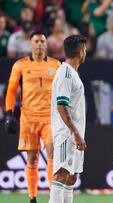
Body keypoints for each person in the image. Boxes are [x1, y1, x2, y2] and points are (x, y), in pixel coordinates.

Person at [4, 30, 61, 203]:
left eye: (42, 41)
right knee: (32, 158)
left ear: (46, 44)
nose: (40, 44)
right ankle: (32, 197)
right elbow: (12, 90)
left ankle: (54, 197)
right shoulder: (20, 65)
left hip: (49, 117)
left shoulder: (56, 64)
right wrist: (9, 114)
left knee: (52, 153)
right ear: (30, 44)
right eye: (36, 41)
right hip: (28, 118)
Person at [49, 35, 87, 203]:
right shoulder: (65, 73)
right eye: (84, 49)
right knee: (62, 174)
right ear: (80, 52)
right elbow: (61, 106)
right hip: (66, 133)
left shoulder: (72, 73)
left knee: (71, 177)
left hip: (74, 133)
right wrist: (75, 133)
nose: (86, 52)